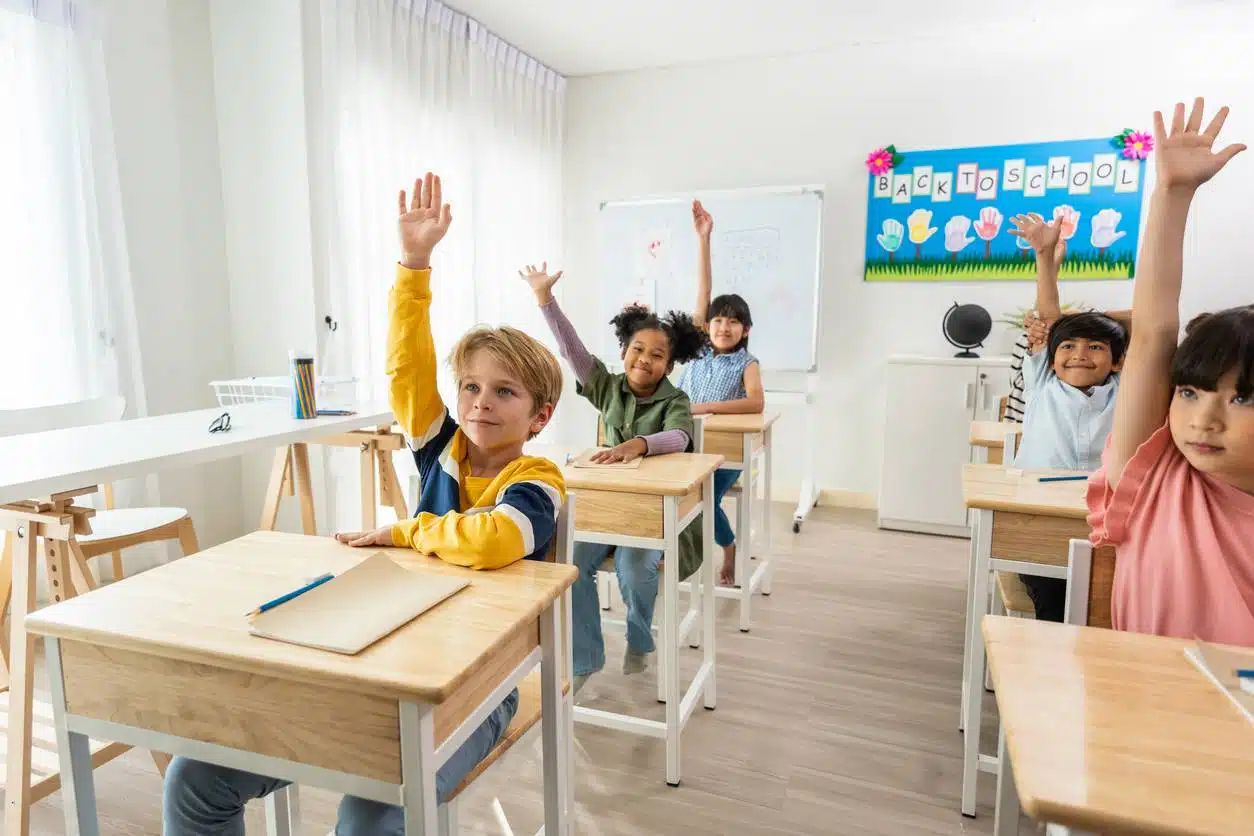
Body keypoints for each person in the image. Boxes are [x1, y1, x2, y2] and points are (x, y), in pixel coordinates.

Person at [163, 173, 567, 835]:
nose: (479, 403)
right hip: (385, 662)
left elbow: (497, 539)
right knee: (193, 779)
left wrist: (406, 532)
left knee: (374, 806)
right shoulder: (440, 446)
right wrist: (414, 266)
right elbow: (408, 369)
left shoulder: (540, 477)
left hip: (476, 687)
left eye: (504, 393)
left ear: (541, 415)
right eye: (469, 387)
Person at [1087, 98, 1254, 644]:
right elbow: (1156, 328)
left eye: (1243, 399)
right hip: (1146, 719)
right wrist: (1172, 196)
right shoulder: (1156, 475)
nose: (1203, 421)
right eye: (1189, 391)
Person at [524, 263, 705, 687]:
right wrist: (544, 300)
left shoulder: (675, 398)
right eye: (638, 349)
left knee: (633, 566)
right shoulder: (607, 386)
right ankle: (585, 658)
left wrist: (637, 445)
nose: (645, 359)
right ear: (624, 351)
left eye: (658, 355)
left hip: (654, 515)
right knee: (569, 561)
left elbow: (680, 436)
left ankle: (640, 640)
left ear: (669, 365)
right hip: (605, 507)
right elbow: (571, 352)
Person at [1007, 211, 1130, 622]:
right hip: (1040, 511)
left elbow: (1149, 324)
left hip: (1102, 518)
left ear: (1117, 362)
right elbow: (1049, 318)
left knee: (1103, 602)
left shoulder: (1124, 390)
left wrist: (1098, 321)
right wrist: (1044, 258)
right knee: (1053, 600)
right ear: (1052, 357)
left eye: (1095, 347)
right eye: (1069, 346)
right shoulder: (1044, 382)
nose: (1079, 353)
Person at [680, 199, 765, 585]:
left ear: (745, 330)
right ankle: (676, 552)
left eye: (733, 323)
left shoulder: (747, 363)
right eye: (717, 320)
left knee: (705, 499)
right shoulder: (697, 348)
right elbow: (704, 289)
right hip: (687, 444)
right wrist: (703, 240)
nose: (723, 327)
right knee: (674, 494)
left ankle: (728, 547)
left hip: (723, 451)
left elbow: (756, 401)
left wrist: (703, 408)